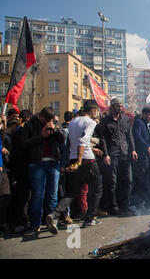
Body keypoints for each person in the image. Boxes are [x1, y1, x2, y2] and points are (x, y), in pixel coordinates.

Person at [46, 100, 104, 233]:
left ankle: (54, 214)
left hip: (73, 159)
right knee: (97, 188)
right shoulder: (91, 122)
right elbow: (83, 140)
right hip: (86, 161)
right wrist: (79, 160)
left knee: (72, 192)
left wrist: (74, 161)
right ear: (93, 110)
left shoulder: (73, 122)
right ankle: (89, 219)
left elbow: (74, 141)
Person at [21, 107, 65, 236]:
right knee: (37, 196)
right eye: (46, 120)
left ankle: (51, 221)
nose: (48, 122)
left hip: (53, 162)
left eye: (50, 120)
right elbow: (24, 143)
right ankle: (35, 224)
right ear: (41, 117)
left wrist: (55, 130)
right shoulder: (30, 125)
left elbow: (62, 139)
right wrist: (40, 136)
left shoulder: (54, 124)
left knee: (52, 194)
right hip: (37, 163)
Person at [98, 98, 138, 215]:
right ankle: (113, 206)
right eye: (117, 106)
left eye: (121, 106)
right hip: (112, 154)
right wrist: (106, 154)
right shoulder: (105, 121)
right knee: (112, 182)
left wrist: (133, 150)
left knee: (128, 180)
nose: (119, 108)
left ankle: (125, 204)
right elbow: (103, 139)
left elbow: (129, 136)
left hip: (125, 153)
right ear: (112, 107)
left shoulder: (126, 119)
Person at [9, 110, 32, 233]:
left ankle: (21, 220)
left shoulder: (18, 131)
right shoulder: (22, 131)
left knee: (22, 195)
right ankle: (19, 222)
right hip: (22, 166)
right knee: (22, 195)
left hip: (18, 166)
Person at [131, 107, 150, 209]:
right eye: (149, 115)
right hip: (141, 155)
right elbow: (137, 136)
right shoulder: (139, 122)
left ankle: (145, 201)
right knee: (140, 179)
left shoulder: (149, 125)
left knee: (147, 179)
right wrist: (147, 147)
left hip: (148, 157)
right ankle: (137, 202)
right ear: (143, 114)